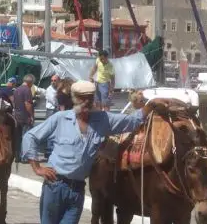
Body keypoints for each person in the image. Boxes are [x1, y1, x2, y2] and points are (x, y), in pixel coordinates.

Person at [22, 81, 165, 224]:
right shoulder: (61, 118)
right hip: (55, 186)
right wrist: (37, 168)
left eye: (90, 98)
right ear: (74, 99)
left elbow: (132, 120)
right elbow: (30, 136)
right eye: (82, 98)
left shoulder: (103, 119)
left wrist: (151, 105)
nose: (87, 102)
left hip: (77, 191)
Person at [13, 74, 35, 163]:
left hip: (16, 116)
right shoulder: (27, 90)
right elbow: (27, 104)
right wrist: (31, 115)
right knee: (25, 137)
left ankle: (17, 156)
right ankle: (24, 157)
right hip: (25, 117)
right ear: (30, 82)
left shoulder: (16, 90)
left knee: (18, 137)